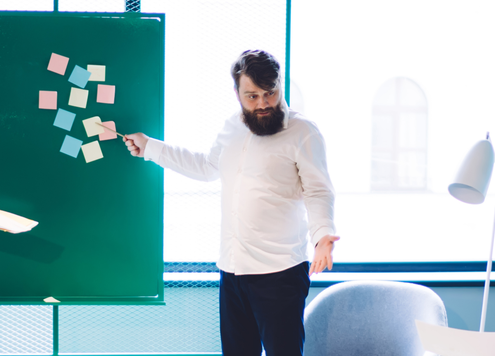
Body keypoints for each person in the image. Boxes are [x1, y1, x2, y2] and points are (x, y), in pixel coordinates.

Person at [124, 50, 339, 356]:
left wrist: (322, 237)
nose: (263, 103)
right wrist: (150, 148)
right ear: (237, 93)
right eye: (252, 96)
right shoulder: (232, 128)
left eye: (270, 93)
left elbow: (318, 190)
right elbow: (207, 167)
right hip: (232, 271)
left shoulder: (303, 132)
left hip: (279, 274)